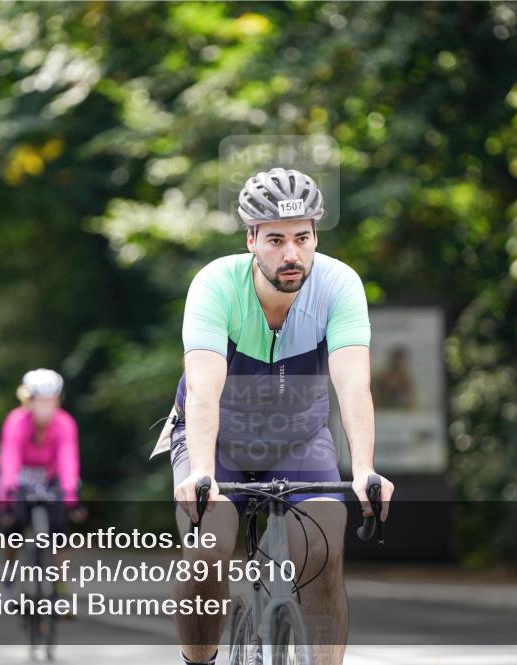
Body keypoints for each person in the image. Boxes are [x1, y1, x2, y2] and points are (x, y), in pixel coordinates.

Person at [158, 168, 395, 665]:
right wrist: (201, 471)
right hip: (215, 441)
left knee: (325, 552)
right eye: (276, 240)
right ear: (251, 239)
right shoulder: (216, 285)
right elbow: (203, 388)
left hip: (299, 440)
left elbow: (353, 384)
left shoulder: (338, 285)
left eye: (303, 238)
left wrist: (365, 468)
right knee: (207, 554)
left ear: (316, 237)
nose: (291, 253)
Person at [0, 369, 84, 599]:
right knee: (13, 527)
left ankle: (60, 589)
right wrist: (7, 495)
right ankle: (9, 575)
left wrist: (70, 497)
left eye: (50, 400)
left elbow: (67, 460)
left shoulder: (64, 423)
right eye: (39, 400)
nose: (45, 406)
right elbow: (10, 458)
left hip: (51, 477)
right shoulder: (16, 421)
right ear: (28, 400)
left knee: (60, 532)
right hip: (20, 479)